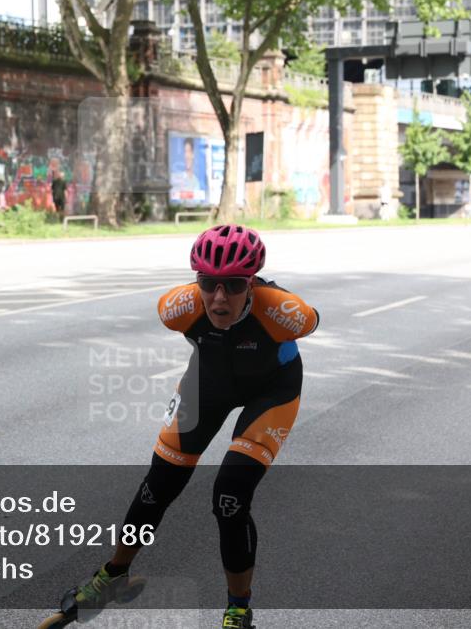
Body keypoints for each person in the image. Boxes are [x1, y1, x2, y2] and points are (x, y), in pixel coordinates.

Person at [43, 225, 319, 629]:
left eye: (234, 285)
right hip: (208, 386)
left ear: (253, 283)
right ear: (197, 281)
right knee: (157, 486)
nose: (219, 297)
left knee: (230, 497)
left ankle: (238, 610)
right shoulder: (178, 307)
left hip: (271, 391)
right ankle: (112, 576)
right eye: (208, 283)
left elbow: (310, 321)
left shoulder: (285, 313)